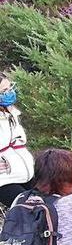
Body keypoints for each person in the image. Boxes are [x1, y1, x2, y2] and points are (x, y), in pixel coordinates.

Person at [0, 71, 34, 207]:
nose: (9, 92)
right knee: (29, 211)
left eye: (10, 88)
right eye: (4, 91)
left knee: (49, 204)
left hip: (26, 173)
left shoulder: (11, 113)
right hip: (5, 180)